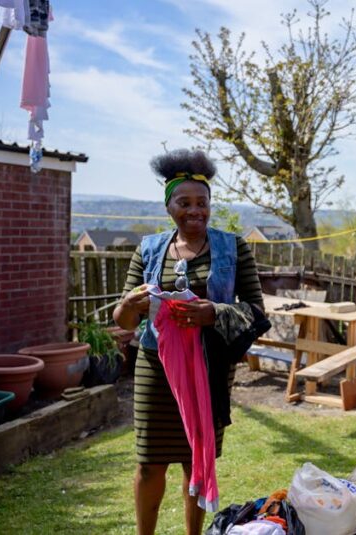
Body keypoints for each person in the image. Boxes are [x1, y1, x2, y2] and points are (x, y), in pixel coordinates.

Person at [113, 149, 264, 535]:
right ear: (169, 206)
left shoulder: (233, 248)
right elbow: (124, 320)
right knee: (149, 463)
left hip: (209, 369)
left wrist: (213, 313)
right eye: (185, 203)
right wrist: (130, 304)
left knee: (196, 460)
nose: (195, 210)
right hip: (156, 367)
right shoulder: (149, 250)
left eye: (203, 203)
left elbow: (256, 312)